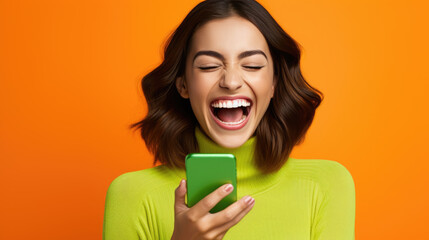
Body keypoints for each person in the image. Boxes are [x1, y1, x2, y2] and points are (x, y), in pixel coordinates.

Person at [102, 0, 356, 239]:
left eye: (253, 65)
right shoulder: (132, 195)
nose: (231, 82)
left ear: (274, 84)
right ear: (183, 85)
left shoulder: (326, 185)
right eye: (209, 66)